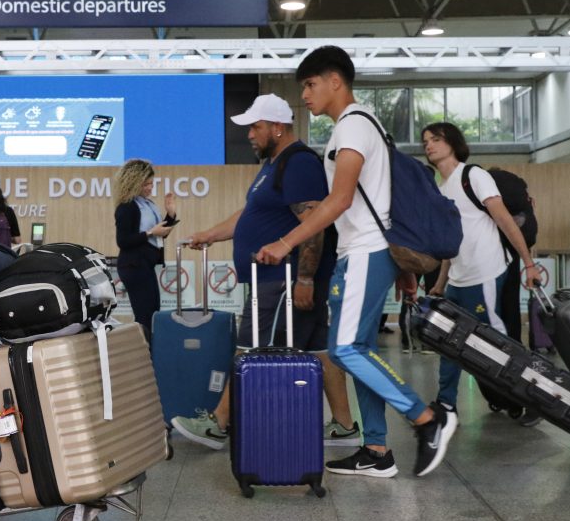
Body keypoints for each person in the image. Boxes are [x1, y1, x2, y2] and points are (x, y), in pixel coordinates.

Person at [258, 45, 456, 479]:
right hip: (365, 251)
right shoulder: (359, 127)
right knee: (358, 348)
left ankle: (427, 418)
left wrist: (285, 241)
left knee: (346, 349)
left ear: (335, 82)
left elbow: (341, 200)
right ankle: (377, 448)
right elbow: (373, 199)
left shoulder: (352, 126)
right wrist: (402, 269)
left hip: (366, 250)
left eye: (310, 85)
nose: (305, 95)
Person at [171, 94, 359, 451]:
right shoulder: (274, 165)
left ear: (277, 128)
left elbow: (314, 224)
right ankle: (346, 426)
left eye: (256, 127)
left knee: (250, 350)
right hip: (280, 281)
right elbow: (249, 215)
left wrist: (304, 280)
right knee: (320, 351)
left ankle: (218, 422)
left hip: (280, 282)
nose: (250, 135)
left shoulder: (298, 163)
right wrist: (209, 234)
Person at [421, 122, 542, 426]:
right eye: (425, 142)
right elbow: (453, 243)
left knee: (497, 343)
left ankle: (528, 398)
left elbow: (505, 222)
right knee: (447, 340)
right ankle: (446, 404)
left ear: (453, 143)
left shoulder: (473, 176)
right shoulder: (440, 188)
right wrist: (439, 283)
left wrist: (528, 263)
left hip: (486, 273)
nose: (429, 145)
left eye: (436, 139)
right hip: (459, 279)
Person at [112, 159, 177, 340]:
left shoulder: (148, 205)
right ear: (134, 183)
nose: (150, 188)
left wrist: (170, 215)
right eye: (146, 184)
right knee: (145, 316)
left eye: (151, 183)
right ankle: (144, 356)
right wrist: (149, 233)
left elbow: (160, 234)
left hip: (144, 266)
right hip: (133, 266)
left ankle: (150, 354)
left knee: (153, 313)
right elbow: (123, 240)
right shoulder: (127, 207)